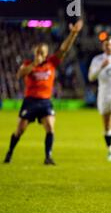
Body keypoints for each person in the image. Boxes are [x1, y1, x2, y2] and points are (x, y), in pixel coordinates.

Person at [3, 20, 83, 165]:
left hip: (45, 101)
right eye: (38, 52)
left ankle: (48, 157)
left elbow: (63, 49)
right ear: (35, 53)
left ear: (46, 54)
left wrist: (73, 34)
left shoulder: (51, 63)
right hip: (30, 101)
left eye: (42, 53)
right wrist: (34, 64)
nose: (40, 54)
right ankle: (9, 153)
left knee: (50, 127)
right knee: (19, 130)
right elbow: (19, 74)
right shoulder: (28, 64)